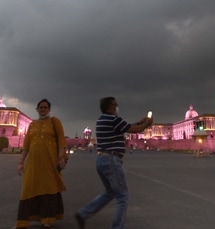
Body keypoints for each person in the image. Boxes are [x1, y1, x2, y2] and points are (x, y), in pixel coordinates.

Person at [75, 96, 153, 229]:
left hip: (101, 160)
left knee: (110, 192)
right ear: (110, 106)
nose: (117, 106)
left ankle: (83, 213)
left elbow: (127, 126)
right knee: (123, 196)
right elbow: (134, 129)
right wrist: (147, 123)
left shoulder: (101, 120)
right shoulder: (114, 119)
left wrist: (140, 122)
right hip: (112, 160)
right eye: (115, 104)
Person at [13, 99, 67, 228]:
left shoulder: (55, 122)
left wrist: (61, 158)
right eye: (41, 107)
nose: (43, 109)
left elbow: (61, 141)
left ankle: (46, 219)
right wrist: (21, 162)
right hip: (33, 164)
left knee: (48, 189)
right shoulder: (32, 124)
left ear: (49, 109)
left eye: (45, 107)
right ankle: (22, 221)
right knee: (28, 189)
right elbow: (26, 146)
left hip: (50, 162)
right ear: (37, 109)